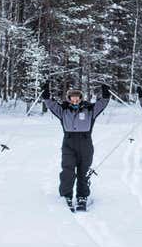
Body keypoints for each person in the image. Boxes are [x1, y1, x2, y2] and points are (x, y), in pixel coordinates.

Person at [42, 81, 110, 211]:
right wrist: (46, 94)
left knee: (83, 172)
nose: (75, 99)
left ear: (80, 98)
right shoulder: (63, 110)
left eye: (77, 96)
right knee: (68, 170)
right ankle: (66, 196)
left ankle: (82, 197)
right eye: (72, 96)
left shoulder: (89, 110)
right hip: (69, 143)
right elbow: (51, 104)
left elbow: (102, 104)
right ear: (69, 98)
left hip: (85, 143)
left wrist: (106, 94)